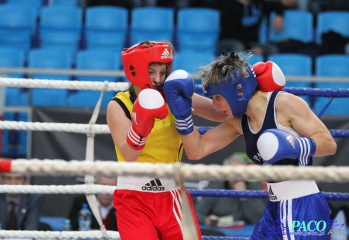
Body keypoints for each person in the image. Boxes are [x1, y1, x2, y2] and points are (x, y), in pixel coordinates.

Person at [163, 51, 337, 239]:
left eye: (217, 98)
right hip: (274, 207)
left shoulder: (284, 104)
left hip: (302, 206)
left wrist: (295, 146)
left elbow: (328, 143)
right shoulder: (240, 121)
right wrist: (183, 114)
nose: (214, 105)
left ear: (238, 91)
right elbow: (197, 150)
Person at [106, 40, 225, 240]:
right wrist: (141, 123)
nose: (158, 79)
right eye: (152, 72)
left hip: (173, 193)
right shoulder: (119, 105)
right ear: (135, 71)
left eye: (163, 71)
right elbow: (129, 154)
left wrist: (238, 96)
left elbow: (221, 113)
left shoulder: (174, 94)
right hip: (133, 197)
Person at [219, 0, 284, 58]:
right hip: (229, 42)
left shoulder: (258, 3)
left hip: (251, 43)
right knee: (239, 47)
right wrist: (249, 48)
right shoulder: (228, 5)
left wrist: (279, 15)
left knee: (272, 49)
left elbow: (277, 5)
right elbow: (230, 32)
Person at [195, 154, 267, 226]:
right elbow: (196, 214)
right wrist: (206, 220)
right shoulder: (215, 188)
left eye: (240, 172)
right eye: (232, 172)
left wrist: (244, 196)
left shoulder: (254, 188)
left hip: (248, 233)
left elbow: (258, 218)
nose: (236, 176)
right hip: (221, 232)